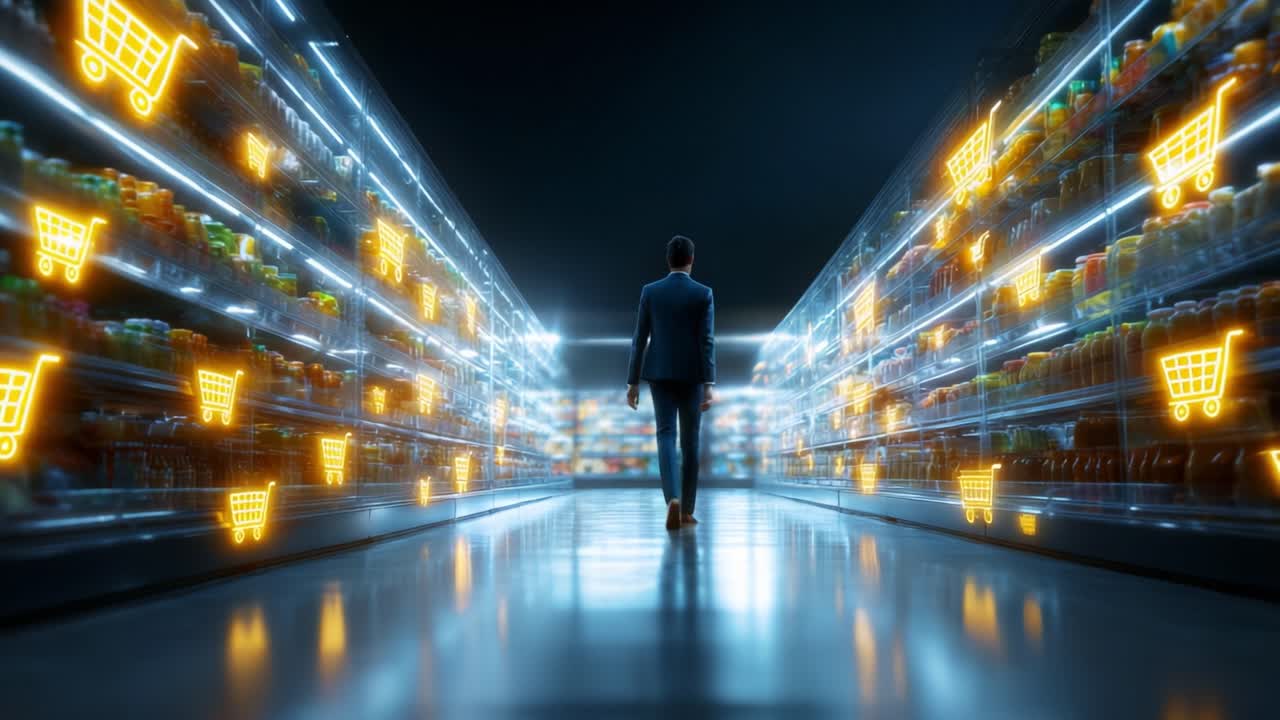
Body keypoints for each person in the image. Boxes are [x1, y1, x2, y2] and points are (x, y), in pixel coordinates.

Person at [626, 235, 716, 530]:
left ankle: (672, 499)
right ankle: (687, 511)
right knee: (691, 441)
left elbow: (639, 339)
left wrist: (632, 382)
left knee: (665, 434)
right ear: (692, 260)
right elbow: (707, 341)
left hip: (659, 372)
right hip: (692, 375)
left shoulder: (650, 291)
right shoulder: (703, 294)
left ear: (668, 260)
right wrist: (709, 383)